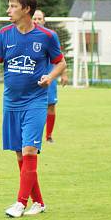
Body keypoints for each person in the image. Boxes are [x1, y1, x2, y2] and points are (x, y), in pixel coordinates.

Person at [0, 0, 66, 218]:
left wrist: (50, 78)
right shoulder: (4, 35)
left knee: (30, 149)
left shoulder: (47, 36)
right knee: (21, 156)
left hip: (36, 102)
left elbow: (61, 64)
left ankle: (20, 203)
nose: (8, 11)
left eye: (12, 6)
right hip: (11, 103)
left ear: (26, 9)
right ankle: (38, 202)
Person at [32, 10, 69, 143]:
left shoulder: (50, 36)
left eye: (39, 19)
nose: (36, 21)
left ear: (44, 21)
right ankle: (34, 135)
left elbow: (59, 57)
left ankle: (48, 136)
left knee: (51, 105)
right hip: (31, 77)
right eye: (34, 18)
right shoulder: (27, 35)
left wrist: (64, 73)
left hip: (49, 76)